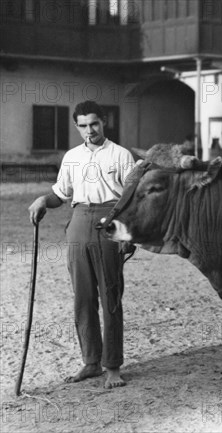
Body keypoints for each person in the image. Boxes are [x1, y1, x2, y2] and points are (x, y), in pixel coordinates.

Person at [28, 101, 135, 389]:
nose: (90, 130)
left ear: (104, 122)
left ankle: (112, 366)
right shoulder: (72, 157)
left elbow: (132, 200)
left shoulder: (121, 155)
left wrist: (126, 236)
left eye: (95, 124)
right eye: (84, 126)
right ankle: (91, 362)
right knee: (83, 298)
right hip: (78, 222)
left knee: (110, 296)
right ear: (77, 127)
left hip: (110, 221)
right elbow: (59, 194)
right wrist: (42, 201)